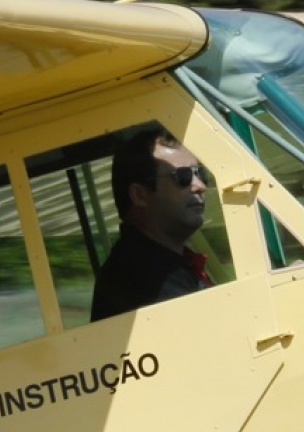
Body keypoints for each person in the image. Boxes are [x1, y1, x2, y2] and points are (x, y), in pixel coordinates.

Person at [89, 128, 215, 321]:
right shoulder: (140, 277)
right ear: (140, 195)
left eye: (200, 173)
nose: (200, 186)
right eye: (183, 176)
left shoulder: (167, 264)